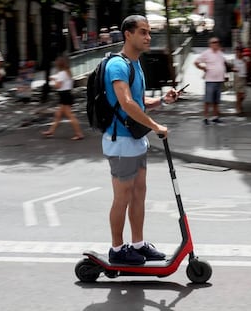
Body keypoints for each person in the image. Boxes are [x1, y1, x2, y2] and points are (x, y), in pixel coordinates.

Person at [103, 15, 179, 265]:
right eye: (143, 32)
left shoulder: (136, 64)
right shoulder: (118, 65)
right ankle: (116, 249)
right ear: (128, 34)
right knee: (122, 198)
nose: (148, 37)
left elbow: (139, 102)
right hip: (121, 140)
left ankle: (137, 244)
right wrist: (156, 126)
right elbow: (125, 103)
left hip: (136, 139)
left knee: (138, 195)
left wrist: (162, 101)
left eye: (149, 32)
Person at [42, 56, 84, 140]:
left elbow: (58, 86)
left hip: (64, 96)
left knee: (70, 115)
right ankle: (51, 131)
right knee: (58, 115)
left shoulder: (61, 74)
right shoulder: (67, 72)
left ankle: (79, 134)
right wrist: (55, 78)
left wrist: (53, 81)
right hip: (66, 94)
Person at [194, 37, 226, 125]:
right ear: (210, 44)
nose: (216, 43)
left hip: (219, 80)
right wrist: (203, 68)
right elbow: (196, 62)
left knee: (216, 100)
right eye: (214, 42)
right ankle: (205, 117)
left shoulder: (220, 53)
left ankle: (215, 117)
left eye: (217, 42)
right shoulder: (206, 53)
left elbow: (222, 64)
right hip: (210, 80)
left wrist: (224, 75)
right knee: (208, 100)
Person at [233, 47, 249, 116]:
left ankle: (239, 105)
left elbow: (248, 67)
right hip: (237, 78)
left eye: (239, 52)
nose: (237, 54)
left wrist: (245, 61)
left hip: (244, 78)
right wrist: (234, 69)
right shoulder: (234, 61)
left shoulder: (245, 59)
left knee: (243, 95)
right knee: (238, 95)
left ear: (241, 52)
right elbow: (231, 69)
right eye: (236, 52)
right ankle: (238, 109)